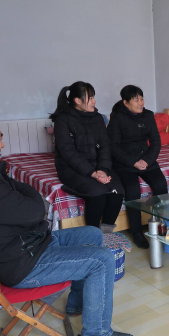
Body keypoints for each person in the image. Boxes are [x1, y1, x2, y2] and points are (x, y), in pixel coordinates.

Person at [0, 112, 134, 336]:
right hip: (22, 263)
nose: (2, 145)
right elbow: (37, 208)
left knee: (92, 234)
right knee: (101, 260)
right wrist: (22, 189)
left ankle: (76, 304)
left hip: (27, 245)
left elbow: (23, 199)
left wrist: (9, 179)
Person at [50, 82, 125, 233]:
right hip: (71, 169)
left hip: (97, 166)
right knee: (97, 193)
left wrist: (103, 169)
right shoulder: (63, 120)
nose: (94, 101)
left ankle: (106, 232)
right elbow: (67, 152)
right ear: (77, 100)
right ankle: (93, 235)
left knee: (117, 191)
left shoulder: (97, 118)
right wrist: (92, 173)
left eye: (93, 97)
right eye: (90, 98)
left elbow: (105, 145)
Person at [107, 85, 168, 249]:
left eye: (141, 99)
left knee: (161, 184)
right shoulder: (117, 118)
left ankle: (162, 224)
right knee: (133, 189)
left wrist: (147, 160)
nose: (141, 103)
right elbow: (113, 146)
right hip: (125, 162)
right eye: (136, 100)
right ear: (126, 102)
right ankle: (136, 232)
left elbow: (155, 142)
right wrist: (132, 162)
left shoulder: (148, 116)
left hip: (146, 159)